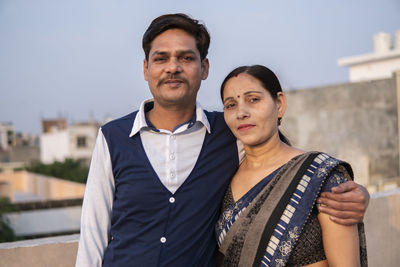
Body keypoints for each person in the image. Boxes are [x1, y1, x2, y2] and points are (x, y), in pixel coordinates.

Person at [75, 14, 369, 267]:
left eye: (186, 58)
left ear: (204, 68)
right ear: (145, 69)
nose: (172, 67)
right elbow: (93, 233)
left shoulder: (228, 133)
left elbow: (290, 173)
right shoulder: (113, 137)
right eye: (161, 58)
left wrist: (358, 194)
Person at [215, 65, 367, 266]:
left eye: (253, 99)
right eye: (231, 105)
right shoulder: (224, 178)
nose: (241, 112)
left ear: (279, 104)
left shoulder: (319, 175)